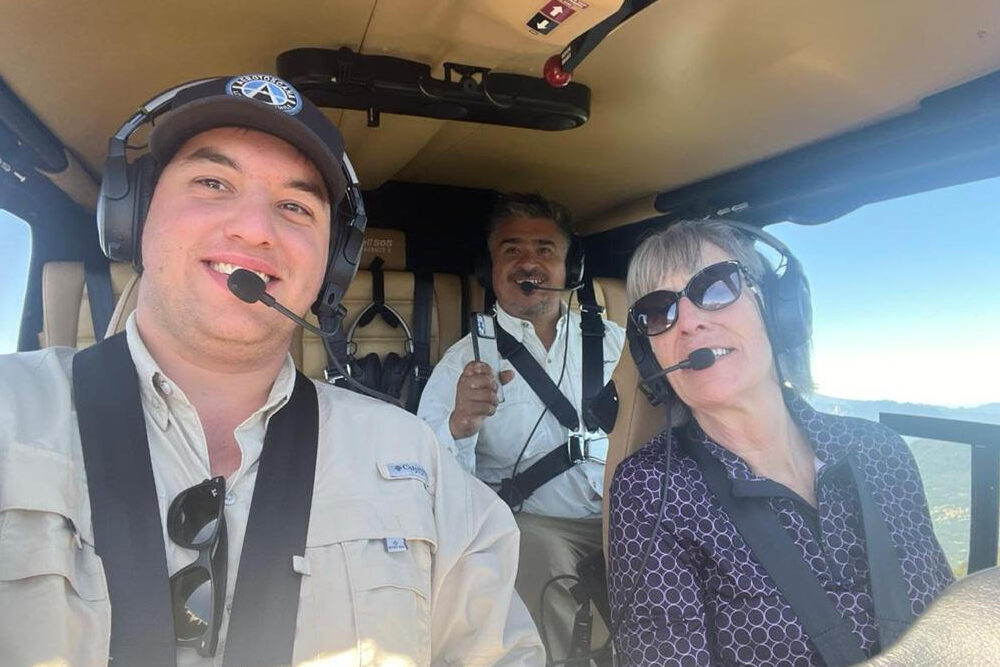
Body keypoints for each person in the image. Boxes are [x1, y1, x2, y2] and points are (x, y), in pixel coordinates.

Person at [0, 74, 544, 666]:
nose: (256, 229)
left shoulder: (410, 458)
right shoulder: (12, 415)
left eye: (294, 206)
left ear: (333, 267)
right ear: (131, 218)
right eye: (212, 183)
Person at [607, 219, 954, 666]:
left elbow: (946, 621)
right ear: (648, 354)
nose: (688, 323)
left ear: (777, 308)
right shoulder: (653, 491)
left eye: (714, 288)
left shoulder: (880, 451)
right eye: (659, 311)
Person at [418, 193, 625, 660]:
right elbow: (428, 475)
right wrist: (462, 423)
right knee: (536, 552)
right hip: (534, 525)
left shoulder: (617, 342)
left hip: (624, 512)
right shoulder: (463, 361)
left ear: (570, 268)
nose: (528, 262)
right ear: (489, 268)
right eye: (511, 250)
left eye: (545, 250)